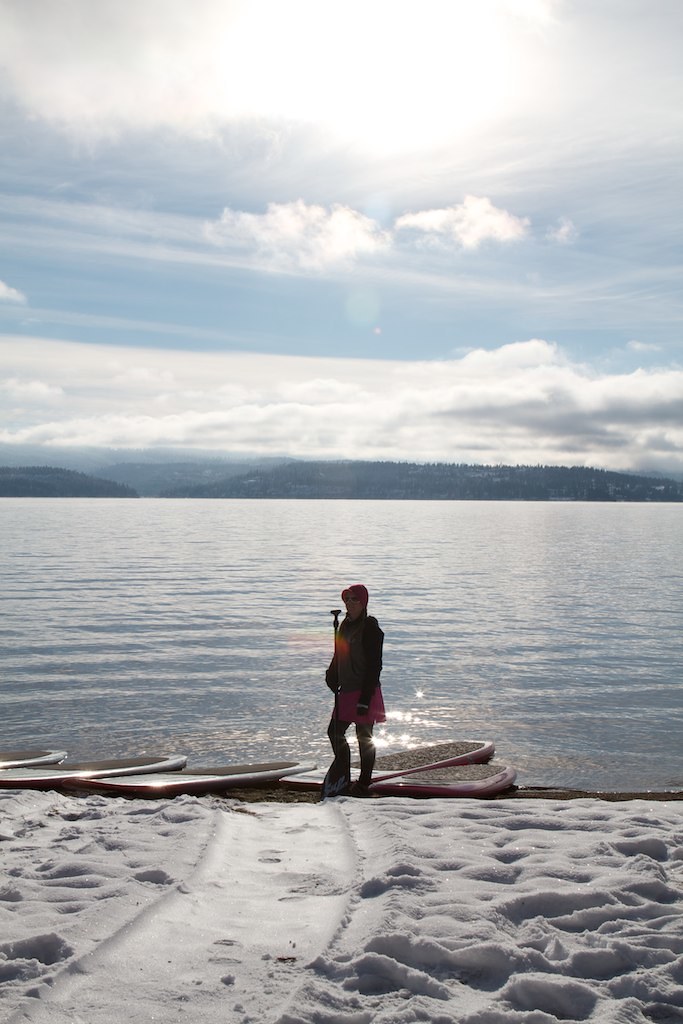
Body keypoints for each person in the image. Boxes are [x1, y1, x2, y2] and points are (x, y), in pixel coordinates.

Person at [325, 583, 385, 796]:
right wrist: (331, 674)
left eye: (354, 600)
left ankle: (364, 783)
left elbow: (375, 666)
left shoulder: (370, 627)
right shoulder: (344, 625)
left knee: (364, 736)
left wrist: (365, 699)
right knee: (334, 732)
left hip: (364, 691)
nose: (349, 603)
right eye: (347, 599)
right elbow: (338, 654)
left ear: (363, 603)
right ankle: (343, 773)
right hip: (348, 689)